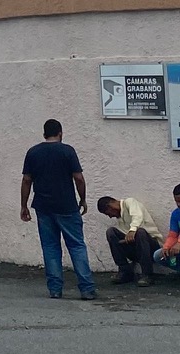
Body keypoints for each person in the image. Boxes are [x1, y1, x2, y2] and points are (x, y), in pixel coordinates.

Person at [19, 119, 94, 300]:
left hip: (43, 207)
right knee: (76, 245)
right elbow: (79, 178)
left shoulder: (33, 152)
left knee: (50, 247)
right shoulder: (67, 151)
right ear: (60, 133)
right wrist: (83, 199)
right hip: (67, 206)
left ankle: (55, 289)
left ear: (44, 134)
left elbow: (27, 180)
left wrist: (24, 205)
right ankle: (86, 288)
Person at [96, 193, 157, 285]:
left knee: (140, 232)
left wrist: (132, 230)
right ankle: (125, 271)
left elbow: (138, 216)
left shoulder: (129, 202)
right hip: (137, 249)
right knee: (111, 232)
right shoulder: (120, 218)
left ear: (111, 206)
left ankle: (147, 274)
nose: (110, 217)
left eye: (108, 213)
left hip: (152, 248)